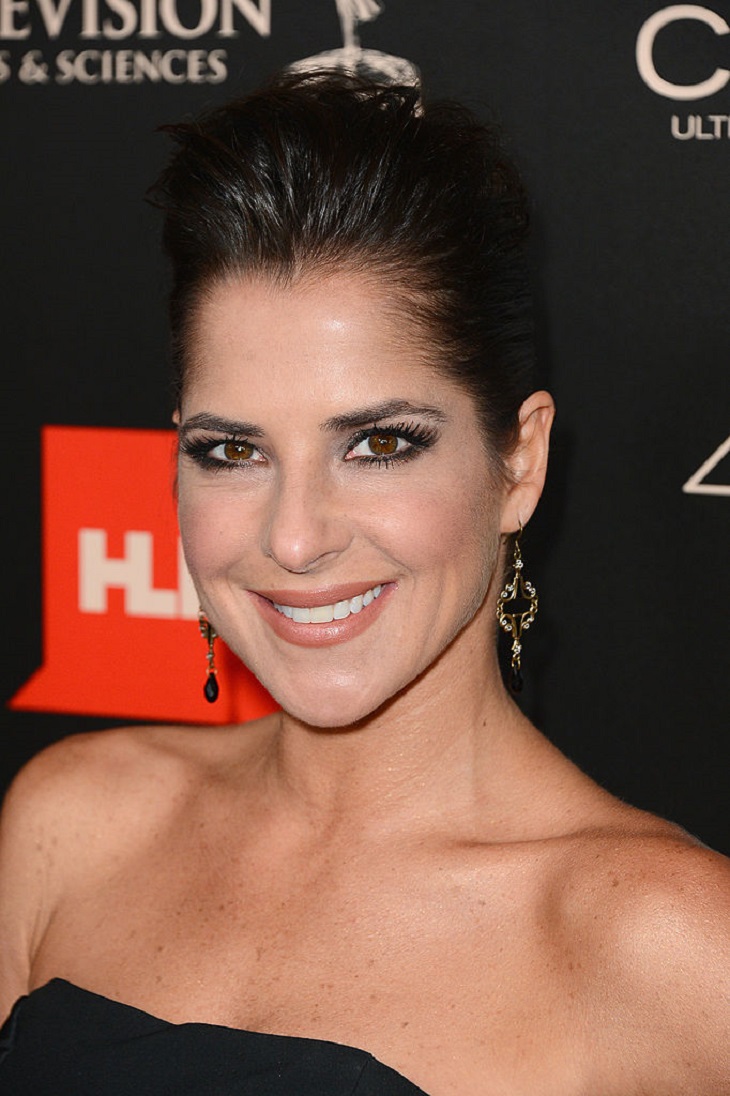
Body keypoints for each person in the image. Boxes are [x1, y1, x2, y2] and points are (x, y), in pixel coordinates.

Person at [0, 71, 728, 1096]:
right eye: (232, 451)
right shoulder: (70, 824)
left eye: (378, 444)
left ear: (518, 462)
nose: (294, 538)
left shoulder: (676, 949)